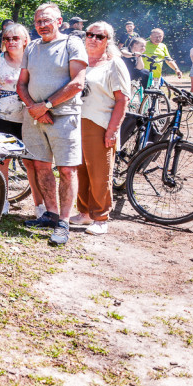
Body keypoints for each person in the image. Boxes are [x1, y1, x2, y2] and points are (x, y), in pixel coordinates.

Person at [16, 3, 88, 246]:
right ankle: (51, 213)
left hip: (64, 115)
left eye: (47, 20)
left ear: (59, 21)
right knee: (41, 167)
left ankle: (64, 222)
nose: (42, 25)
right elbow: (21, 84)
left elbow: (78, 82)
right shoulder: (32, 47)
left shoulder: (72, 44)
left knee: (67, 169)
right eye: (37, 21)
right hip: (34, 117)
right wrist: (35, 110)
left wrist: (45, 105)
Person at [72, 21, 129, 236]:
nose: (93, 39)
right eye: (90, 34)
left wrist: (112, 130)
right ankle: (85, 212)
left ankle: (101, 216)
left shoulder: (114, 64)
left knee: (100, 173)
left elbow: (122, 100)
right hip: (77, 121)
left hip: (100, 123)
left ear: (108, 40)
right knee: (81, 171)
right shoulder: (81, 61)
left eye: (100, 36)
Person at [0, 23, 30, 192]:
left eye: (15, 38)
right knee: (1, 159)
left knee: (29, 160)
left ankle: (39, 204)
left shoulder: (32, 59)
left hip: (27, 116)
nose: (11, 42)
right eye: (7, 39)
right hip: (0, 116)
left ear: (25, 40)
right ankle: (2, 199)